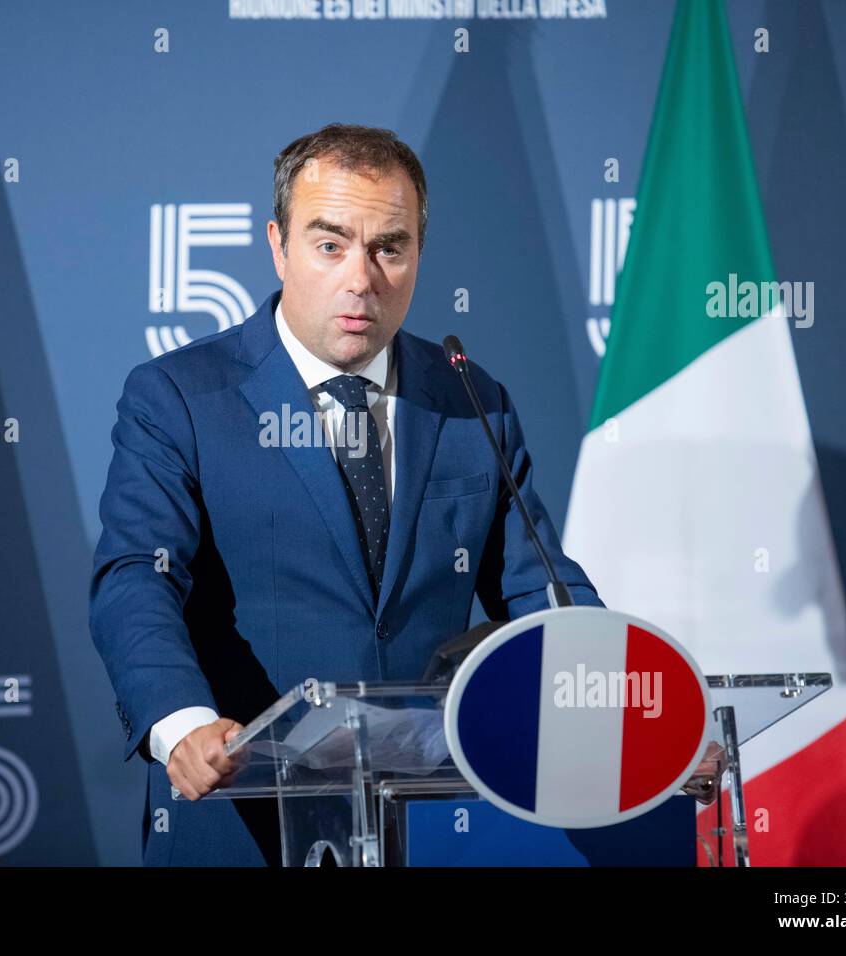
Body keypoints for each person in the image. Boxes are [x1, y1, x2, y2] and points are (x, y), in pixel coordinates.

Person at [89, 123, 602, 866]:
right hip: (244, 815)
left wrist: (619, 713)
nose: (361, 278)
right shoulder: (181, 397)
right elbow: (137, 577)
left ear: (418, 252)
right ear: (278, 245)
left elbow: (539, 589)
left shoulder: (469, 396)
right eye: (330, 245)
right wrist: (182, 722)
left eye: (388, 247)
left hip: (432, 824)